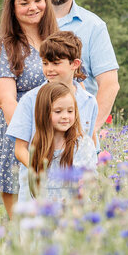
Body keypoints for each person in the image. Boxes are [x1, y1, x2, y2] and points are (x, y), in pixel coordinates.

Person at [0, 0, 57, 216]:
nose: (33, 7)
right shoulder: (3, 46)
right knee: (22, 224)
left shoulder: (55, 40)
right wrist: (36, 142)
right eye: (24, 3)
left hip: (57, 131)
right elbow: (8, 103)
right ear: (12, 8)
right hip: (20, 138)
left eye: (37, 0)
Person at [41, 0, 120, 131]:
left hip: (74, 137)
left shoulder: (94, 27)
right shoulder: (26, 21)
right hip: (33, 137)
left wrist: (87, 132)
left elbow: (110, 85)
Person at [7, 32, 98, 179]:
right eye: (45, 63)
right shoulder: (31, 100)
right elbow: (20, 149)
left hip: (75, 190)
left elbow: (92, 145)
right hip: (39, 189)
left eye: (56, 63)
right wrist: (40, 174)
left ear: (75, 64)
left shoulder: (89, 101)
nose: (49, 69)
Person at [15, 82, 97, 202]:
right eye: (58, 111)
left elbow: (87, 180)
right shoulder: (37, 144)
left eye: (70, 111)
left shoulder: (82, 144)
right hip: (44, 209)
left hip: (74, 209)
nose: (65, 116)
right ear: (44, 113)